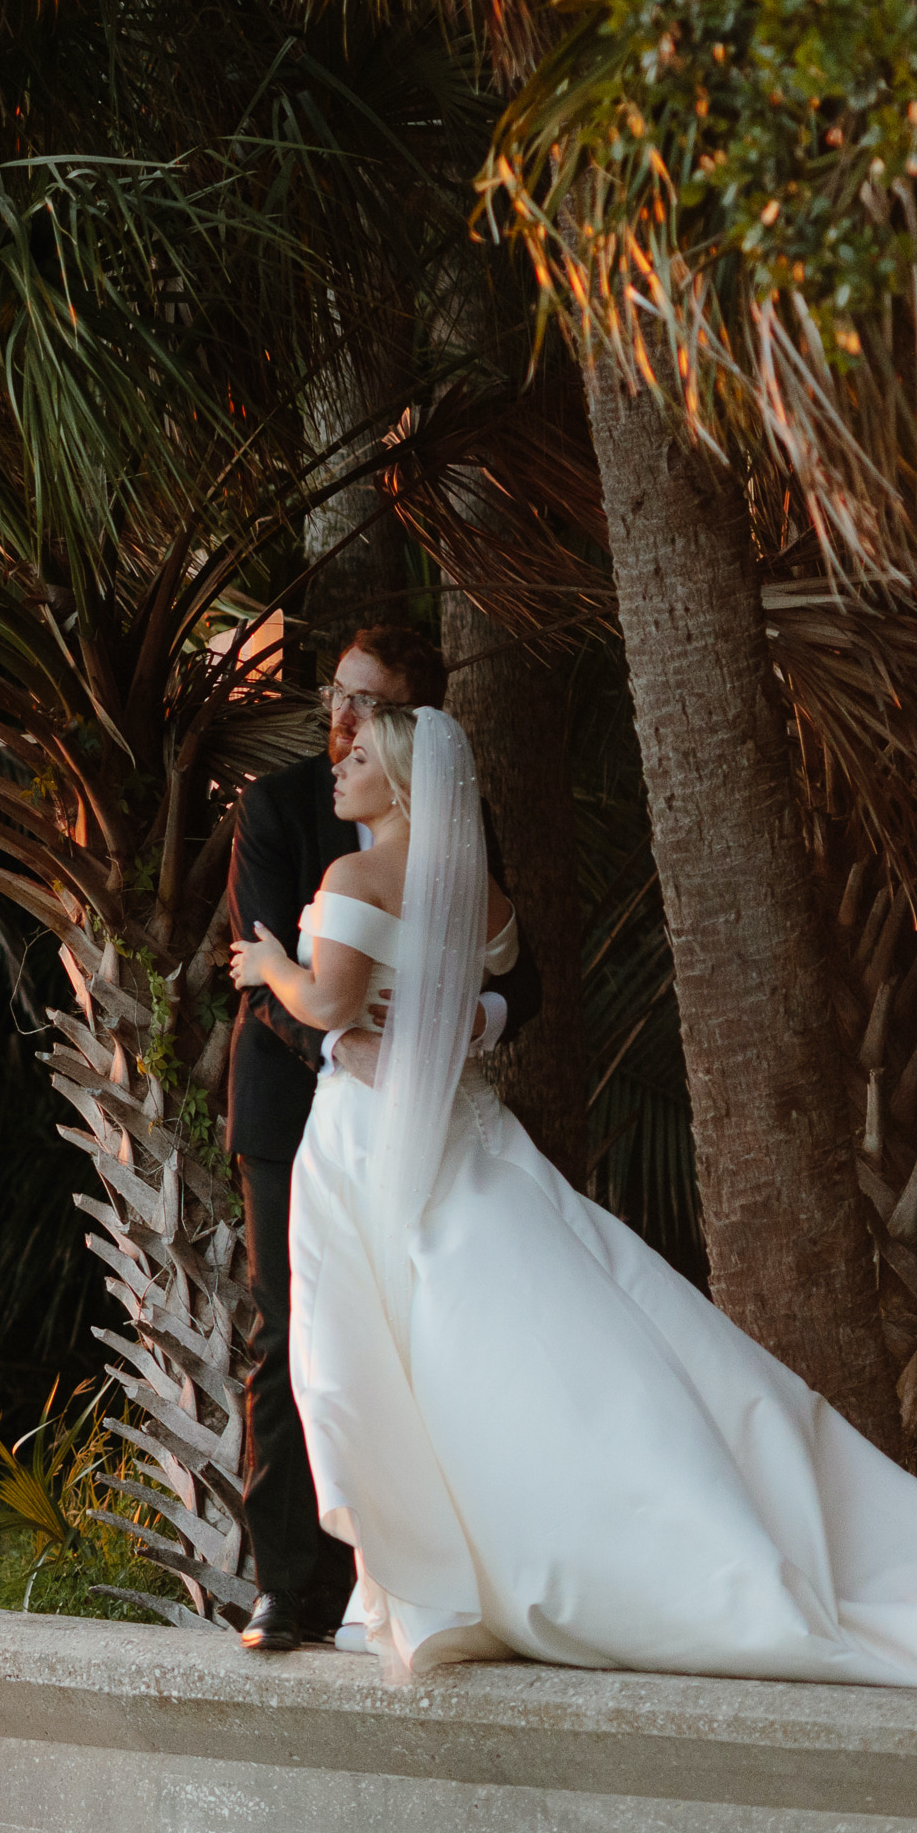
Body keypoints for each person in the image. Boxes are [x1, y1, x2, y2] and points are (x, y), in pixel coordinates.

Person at [226, 705, 917, 1696]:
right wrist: (452, 1027)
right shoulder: (473, 885)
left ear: (397, 776)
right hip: (467, 1133)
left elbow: (331, 1003)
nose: (336, 765)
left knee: (390, 1351)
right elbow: (500, 979)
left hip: (365, 1137)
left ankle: (450, 1576)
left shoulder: (352, 877)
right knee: (523, 1335)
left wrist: (269, 966)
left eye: (356, 757)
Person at [222, 626, 539, 1654]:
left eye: (370, 706)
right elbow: (284, 965)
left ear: (412, 725)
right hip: (299, 1113)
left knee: (417, 1326)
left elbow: (512, 980)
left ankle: (437, 1564)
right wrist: (349, 1044)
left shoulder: (451, 818)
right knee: (289, 1334)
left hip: (418, 1112)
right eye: (338, 697)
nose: (343, 722)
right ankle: (290, 1587)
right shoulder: (277, 809)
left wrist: (449, 1032)